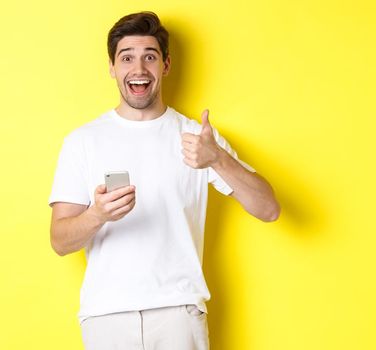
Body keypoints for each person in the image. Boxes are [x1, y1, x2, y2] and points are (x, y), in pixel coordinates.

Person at [48, 11, 280, 349]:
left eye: (150, 57)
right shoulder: (82, 141)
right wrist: (98, 214)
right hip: (106, 317)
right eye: (127, 58)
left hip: (178, 313)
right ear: (112, 67)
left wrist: (218, 158)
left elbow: (269, 208)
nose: (138, 68)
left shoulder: (199, 139)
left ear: (166, 65)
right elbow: (59, 240)